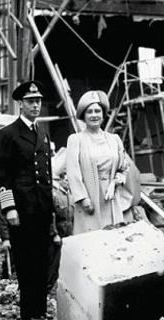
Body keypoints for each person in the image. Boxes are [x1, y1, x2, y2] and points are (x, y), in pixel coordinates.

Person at [0, 80, 55, 320]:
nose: (36, 105)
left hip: (41, 207)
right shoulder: (8, 134)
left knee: (41, 260)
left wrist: (50, 208)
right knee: (26, 260)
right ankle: (28, 311)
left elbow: (46, 174)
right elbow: (3, 175)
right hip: (20, 209)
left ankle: (40, 308)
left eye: (38, 100)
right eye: (31, 101)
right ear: (20, 104)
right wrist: (9, 208)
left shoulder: (41, 134)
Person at [66, 90, 135, 235]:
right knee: (92, 238)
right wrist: (83, 198)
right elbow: (73, 171)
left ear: (103, 115)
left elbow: (123, 168)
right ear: (83, 116)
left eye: (97, 111)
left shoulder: (114, 139)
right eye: (89, 112)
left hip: (111, 197)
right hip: (89, 197)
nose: (94, 115)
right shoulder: (76, 139)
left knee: (114, 236)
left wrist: (114, 183)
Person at [47, 172, 74, 294]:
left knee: (66, 264)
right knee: (53, 264)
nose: (68, 183)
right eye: (66, 180)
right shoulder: (55, 196)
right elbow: (50, 216)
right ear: (61, 181)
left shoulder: (71, 197)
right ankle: (48, 290)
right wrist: (55, 234)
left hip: (68, 236)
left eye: (70, 181)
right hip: (57, 237)